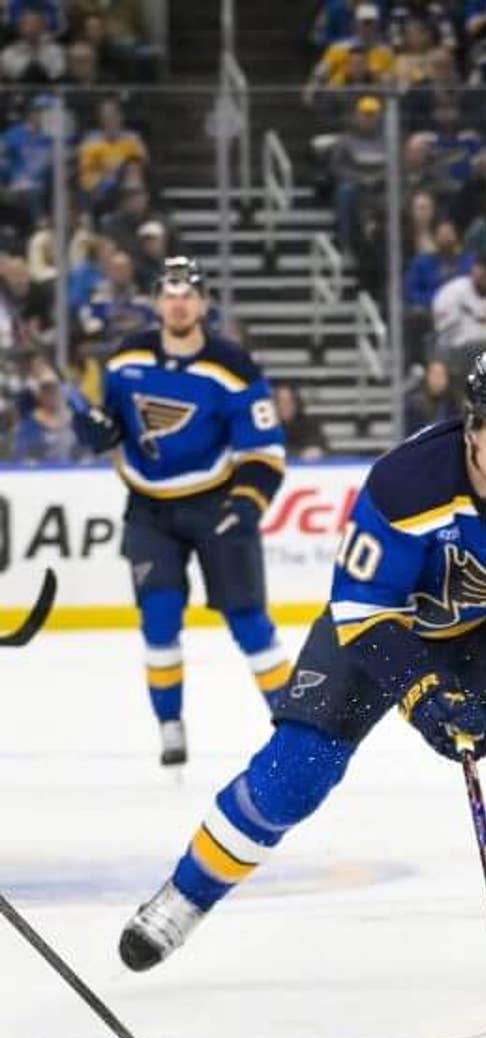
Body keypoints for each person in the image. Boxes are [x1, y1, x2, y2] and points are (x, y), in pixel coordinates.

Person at [114, 349, 486, 996]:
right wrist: (423, 693)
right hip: (380, 631)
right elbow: (361, 609)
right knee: (294, 773)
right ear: (472, 430)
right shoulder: (407, 484)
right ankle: (186, 894)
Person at [71, 256, 292, 769]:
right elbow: (106, 423)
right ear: (156, 301)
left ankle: (294, 725)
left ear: (203, 303)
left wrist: (246, 504)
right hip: (149, 510)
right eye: (169, 293)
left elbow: (265, 451)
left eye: (188, 293)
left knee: (249, 622)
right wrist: (97, 432)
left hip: (217, 504)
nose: (179, 302)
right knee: (159, 619)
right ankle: (169, 725)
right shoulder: (126, 359)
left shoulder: (233, 366)